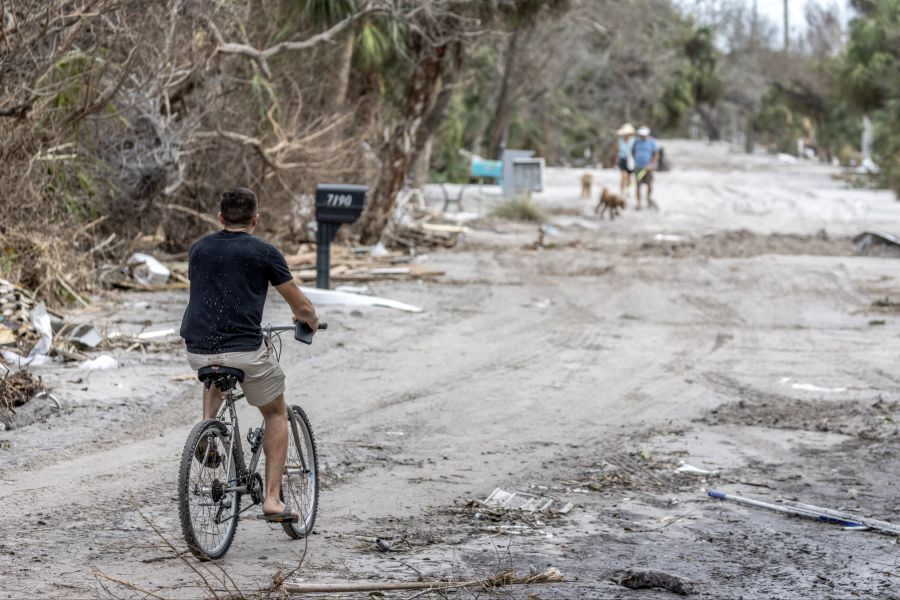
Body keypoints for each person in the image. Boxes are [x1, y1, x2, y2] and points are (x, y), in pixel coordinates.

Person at [180, 187, 318, 522]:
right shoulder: (264, 253)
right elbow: (299, 305)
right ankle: (272, 499)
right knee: (275, 412)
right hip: (244, 350)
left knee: (216, 368)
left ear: (220, 217)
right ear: (255, 220)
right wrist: (309, 321)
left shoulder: (199, 249)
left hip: (198, 350)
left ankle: (209, 429)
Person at [632, 126, 660, 210]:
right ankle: (638, 203)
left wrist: (651, 165)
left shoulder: (652, 142)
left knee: (649, 185)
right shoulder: (636, 141)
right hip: (638, 167)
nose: (642, 136)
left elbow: (656, 154)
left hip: (649, 168)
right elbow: (633, 152)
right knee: (638, 185)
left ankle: (649, 200)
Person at [615, 123, 636, 195]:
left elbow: (635, 150)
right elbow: (618, 151)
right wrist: (617, 159)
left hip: (630, 160)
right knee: (624, 176)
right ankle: (621, 190)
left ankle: (628, 190)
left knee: (629, 177)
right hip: (622, 159)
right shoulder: (620, 141)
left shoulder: (633, 141)